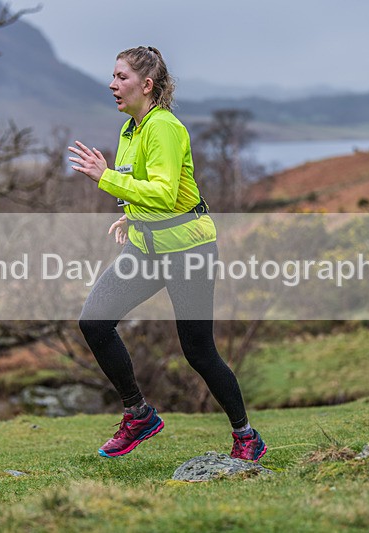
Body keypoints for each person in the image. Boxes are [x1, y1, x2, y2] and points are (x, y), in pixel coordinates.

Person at [68, 46, 266, 462]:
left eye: (121, 77)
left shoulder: (163, 128)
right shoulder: (131, 130)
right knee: (94, 322)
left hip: (189, 250)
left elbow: (161, 192)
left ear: (147, 85)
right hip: (147, 247)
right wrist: (130, 217)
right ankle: (138, 414)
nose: (112, 84)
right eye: (113, 76)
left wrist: (105, 179)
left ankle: (246, 436)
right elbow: (147, 191)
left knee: (198, 352)